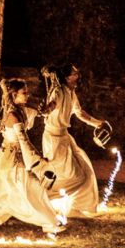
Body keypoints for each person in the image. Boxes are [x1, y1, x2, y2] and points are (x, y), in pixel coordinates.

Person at [0, 78, 66, 235]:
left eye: (27, 92)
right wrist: (38, 160)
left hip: (13, 157)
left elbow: (39, 112)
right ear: (14, 95)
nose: (27, 95)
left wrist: (50, 104)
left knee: (6, 192)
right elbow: (24, 141)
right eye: (24, 93)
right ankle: (49, 223)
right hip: (11, 159)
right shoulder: (13, 116)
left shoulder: (22, 111)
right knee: (33, 188)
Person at [42, 64, 105, 217]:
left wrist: (98, 123)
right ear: (66, 77)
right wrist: (46, 110)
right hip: (54, 140)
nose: (78, 76)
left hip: (64, 138)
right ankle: (43, 200)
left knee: (85, 170)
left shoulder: (71, 93)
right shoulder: (58, 91)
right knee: (69, 176)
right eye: (75, 73)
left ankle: (74, 206)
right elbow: (51, 105)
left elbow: (79, 113)